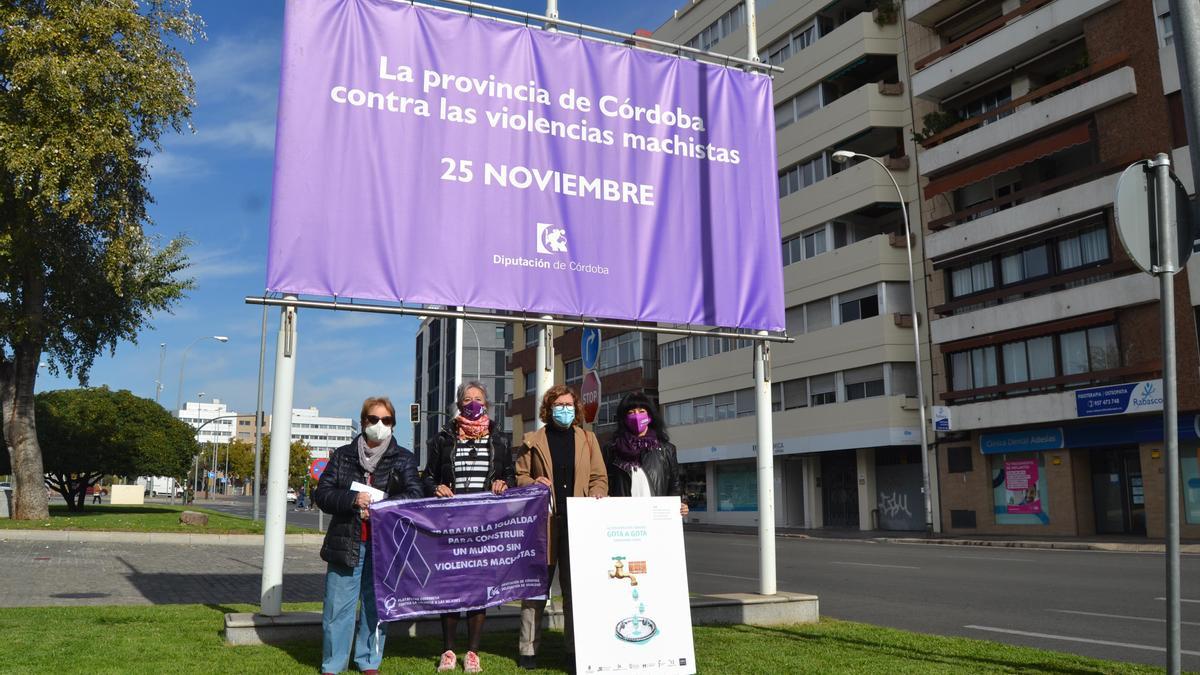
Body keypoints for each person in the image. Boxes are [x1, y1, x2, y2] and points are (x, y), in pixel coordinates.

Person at [314, 396, 424, 675]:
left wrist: (383, 502)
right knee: (338, 608)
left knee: (375, 607)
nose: (379, 425)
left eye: (385, 420)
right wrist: (353, 499)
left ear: (393, 425)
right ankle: (333, 664)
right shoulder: (342, 455)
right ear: (363, 422)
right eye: (373, 419)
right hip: (346, 541)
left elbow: (415, 495)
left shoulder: (404, 458)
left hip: (384, 546)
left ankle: (368, 661)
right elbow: (323, 494)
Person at [425, 381, 516, 674]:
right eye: (467, 399)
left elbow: (510, 476)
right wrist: (436, 486)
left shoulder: (500, 440)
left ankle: (473, 652)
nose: (473, 403)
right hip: (450, 524)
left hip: (484, 526)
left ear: (487, 404)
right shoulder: (443, 439)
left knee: (478, 590)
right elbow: (427, 477)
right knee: (451, 589)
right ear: (458, 404)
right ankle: (449, 651)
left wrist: (505, 483)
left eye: (478, 399)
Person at [514, 384, 607, 671]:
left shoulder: (588, 439)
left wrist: (597, 492)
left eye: (569, 405)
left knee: (576, 592)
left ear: (576, 409)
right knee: (535, 592)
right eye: (558, 405)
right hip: (543, 526)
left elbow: (599, 477)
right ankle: (528, 650)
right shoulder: (533, 440)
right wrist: (533, 483)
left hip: (579, 526)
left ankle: (575, 650)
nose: (564, 410)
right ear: (548, 409)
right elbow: (519, 477)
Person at [601, 391, 688, 517]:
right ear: (624, 419)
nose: (637, 416)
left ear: (650, 416)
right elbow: (605, 484)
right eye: (631, 413)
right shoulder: (612, 449)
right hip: (623, 519)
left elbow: (675, 487)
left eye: (641, 411)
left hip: (655, 519)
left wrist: (679, 506)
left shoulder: (666, 449)